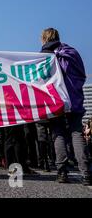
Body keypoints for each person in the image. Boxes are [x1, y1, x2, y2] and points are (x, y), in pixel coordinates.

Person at [40, 28, 91, 185]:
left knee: (58, 134)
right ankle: (86, 173)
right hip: (74, 99)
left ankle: (62, 172)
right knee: (76, 134)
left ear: (43, 39)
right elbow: (81, 74)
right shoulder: (71, 52)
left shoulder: (42, 57)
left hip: (56, 102)